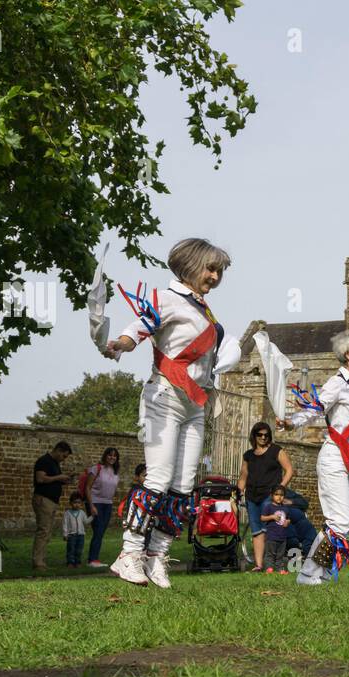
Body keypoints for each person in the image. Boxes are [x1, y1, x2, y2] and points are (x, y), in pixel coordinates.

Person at [105, 237, 233, 589]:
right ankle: (129, 553)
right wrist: (120, 344)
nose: (215, 276)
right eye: (210, 268)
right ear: (189, 266)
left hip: (195, 403)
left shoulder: (203, 308)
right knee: (158, 479)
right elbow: (139, 327)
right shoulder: (167, 298)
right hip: (164, 396)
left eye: (219, 270)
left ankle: (157, 555)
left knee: (183, 485)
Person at [284, 329, 349, 584]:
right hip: (336, 456)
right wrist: (292, 422)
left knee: (344, 524)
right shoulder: (337, 383)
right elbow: (317, 407)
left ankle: (316, 573)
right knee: (340, 520)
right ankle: (310, 574)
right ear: (347, 354)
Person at [238, 421, 294, 572]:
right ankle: (259, 565)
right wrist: (237, 494)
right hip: (251, 497)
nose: (263, 437)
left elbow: (289, 470)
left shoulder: (276, 451)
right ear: (254, 436)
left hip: (268, 498)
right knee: (256, 530)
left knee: (270, 530)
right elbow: (243, 477)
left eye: (266, 435)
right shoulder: (248, 455)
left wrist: (280, 488)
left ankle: (273, 564)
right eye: (260, 435)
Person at [32, 440, 73, 571]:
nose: (64, 459)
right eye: (64, 456)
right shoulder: (44, 461)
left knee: (47, 532)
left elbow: (51, 480)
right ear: (58, 450)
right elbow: (40, 479)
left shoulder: (54, 463)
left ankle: (41, 560)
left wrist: (63, 481)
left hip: (51, 501)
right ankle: (38, 562)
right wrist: (59, 477)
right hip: (44, 499)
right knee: (43, 531)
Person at [84, 447, 121, 568]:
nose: (112, 458)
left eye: (114, 456)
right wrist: (91, 506)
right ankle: (92, 560)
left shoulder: (115, 472)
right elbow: (87, 488)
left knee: (100, 532)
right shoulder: (96, 469)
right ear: (105, 456)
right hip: (95, 503)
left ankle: (94, 559)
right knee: (98, 531)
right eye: (110, 455)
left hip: (107, 504)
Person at [259, 485, 293, 573]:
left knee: (280, 555)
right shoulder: (269, 507)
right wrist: (272, 517)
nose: (279, 497)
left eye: (281, 495)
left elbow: (289, 519)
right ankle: (269, 568)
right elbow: (262, 518)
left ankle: (280, 569)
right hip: (271, 536)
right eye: (276, 494)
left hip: (282, 537)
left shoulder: (285, 508)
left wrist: (287, 522)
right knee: (270, 554)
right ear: (272, 495)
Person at [62, 492, 90, 567]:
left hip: (81, 535)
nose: (77, 504)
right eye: (75, 502)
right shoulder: (67, 513)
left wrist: (93, 516)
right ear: (70, 503)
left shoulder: (82, 513)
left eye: (79, 503)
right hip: (71, 535)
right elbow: (65, 524)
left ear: (81, 504)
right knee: (71, 549)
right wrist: (65, 534)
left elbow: (86, 521)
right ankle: (70, 562)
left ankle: (77, 562)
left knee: (79, 550)